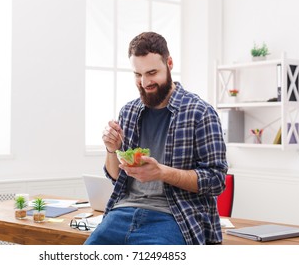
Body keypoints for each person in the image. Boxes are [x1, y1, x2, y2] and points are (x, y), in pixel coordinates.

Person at [84, 32, 228, 245]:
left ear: (169, 64)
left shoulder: (201, 113)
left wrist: (162, 173)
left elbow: (216, 180)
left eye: (152, 72)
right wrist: (111, 149)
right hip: (121, 212)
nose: (144, 82)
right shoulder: (129, 111)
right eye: (137, 74)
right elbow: (116, 177)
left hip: (174, 217)